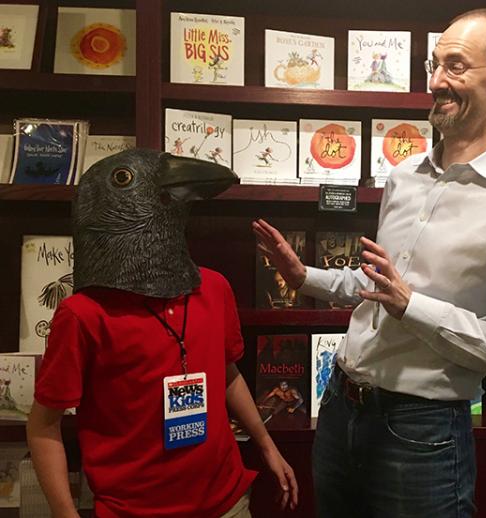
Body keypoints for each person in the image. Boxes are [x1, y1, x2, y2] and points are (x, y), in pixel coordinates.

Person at [253, 8, 486, 518]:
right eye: (434, 64)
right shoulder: (402, 178)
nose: (438, 81)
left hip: (423, 432)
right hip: (340, 406)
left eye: (457, 66)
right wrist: (302, 276)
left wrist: (413, 307)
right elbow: (381, 288)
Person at [27, 149, 298, 518]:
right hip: (133, 510)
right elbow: (44, 424)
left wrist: (266, 444)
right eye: (126, 180)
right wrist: (65, 513)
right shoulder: (82, 315)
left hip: (227, 501)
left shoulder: (213, 288)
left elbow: (226, 372)